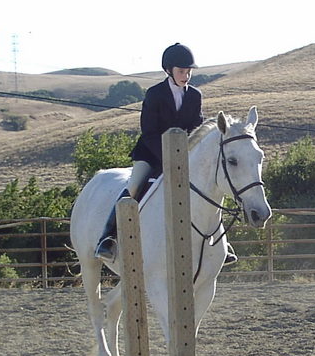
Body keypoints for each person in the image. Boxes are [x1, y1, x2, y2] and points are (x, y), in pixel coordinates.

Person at [94, 42, 236, 265]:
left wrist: (189, 156)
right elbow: (149, 132)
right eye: (181, 71)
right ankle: (108, 238)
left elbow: (197, 129)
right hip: (151, 153)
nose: (186, 76)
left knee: (208, 186)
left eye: (188, 72)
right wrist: (169, 158)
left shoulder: (195, 95)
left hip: (183, 155)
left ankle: (219, 244)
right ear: (169, 70)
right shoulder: (155, 94)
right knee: (134, 186)